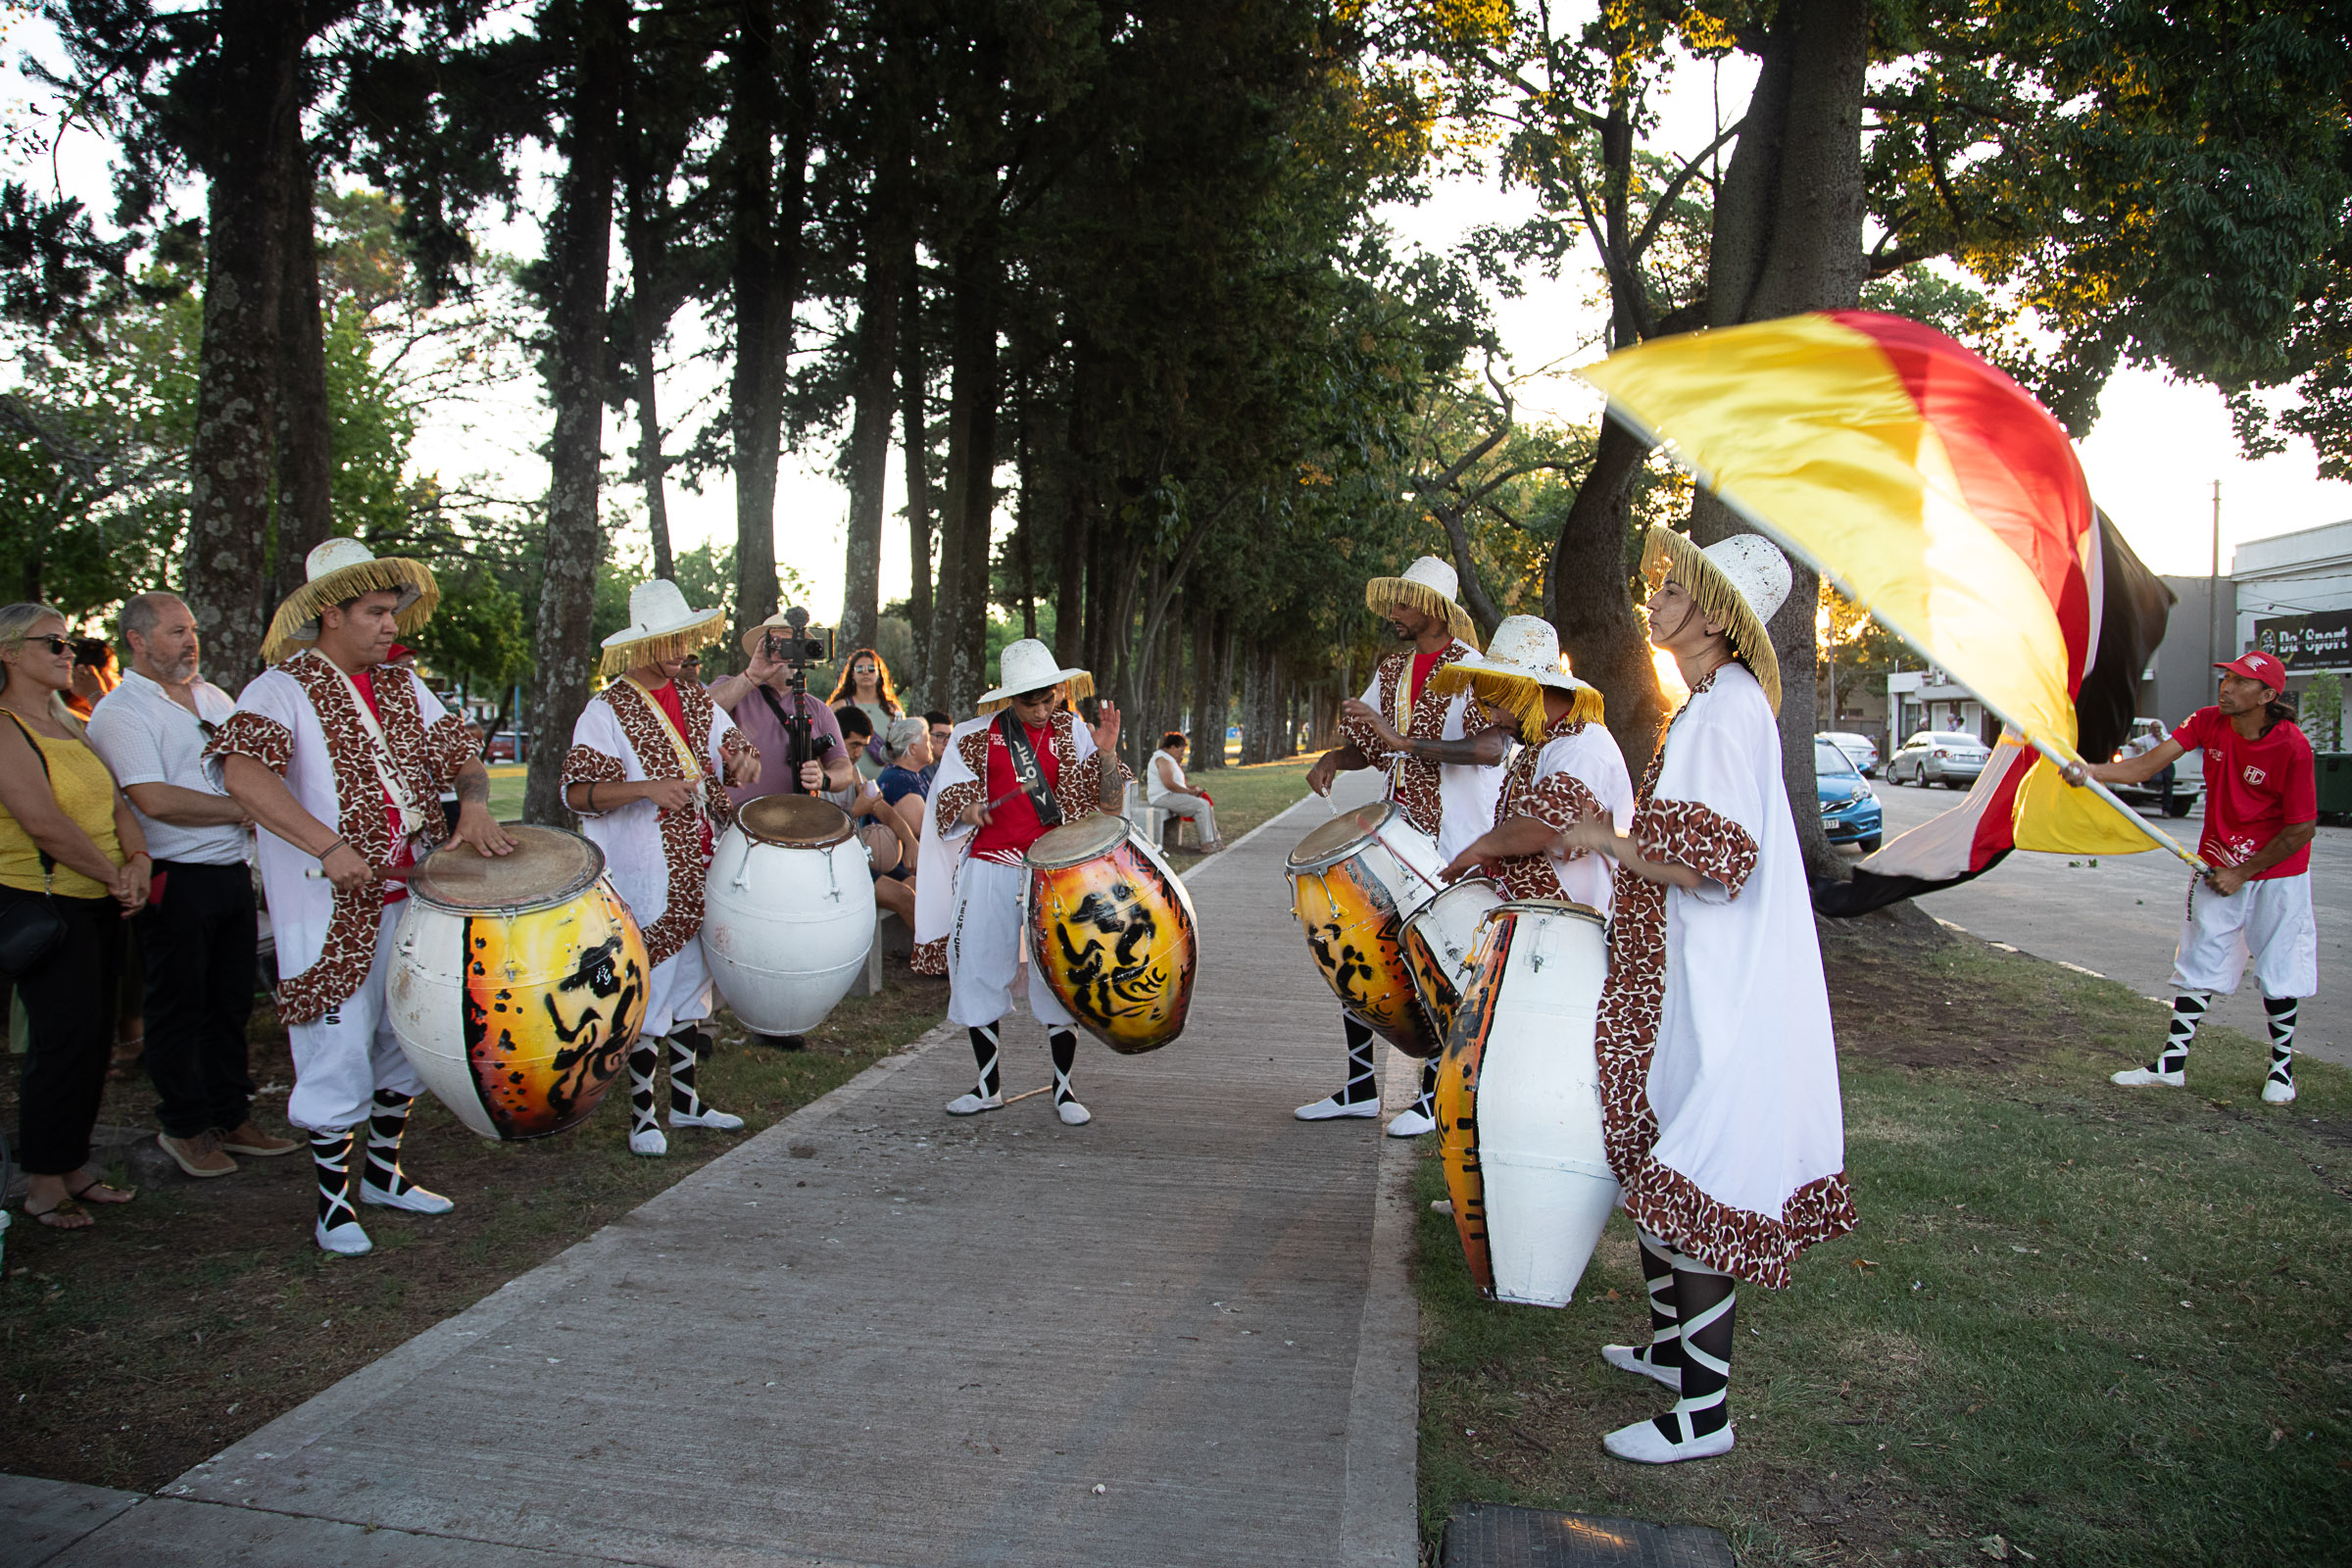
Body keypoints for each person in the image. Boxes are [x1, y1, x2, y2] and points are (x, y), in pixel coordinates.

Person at [1557, 530, 1852, 1465]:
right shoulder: (1713, 706)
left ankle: (1702, 1415)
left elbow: (1710, 864)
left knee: (1695, 1171)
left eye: (1676, 590)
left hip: (1707, 980)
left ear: (1718, 615)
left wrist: (1609, 841)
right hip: (1673, 969)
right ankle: (1666, 1348)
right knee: (1653, 1144)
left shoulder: (1726, 713)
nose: (1657, 601)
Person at [210, 541, 512, 1255]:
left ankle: (382, 1174)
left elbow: (463, 756)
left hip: (416, 900)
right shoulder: (279, 688)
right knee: (336, 1049)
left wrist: (471, 804)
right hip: (330, 909)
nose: (389, 625)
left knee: (406, 1037)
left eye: (393, 611)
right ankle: (333, 1206)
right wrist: (326, 845)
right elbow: (243, 776)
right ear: (329, 613)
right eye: (375, 612)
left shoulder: (406, 686)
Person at [86, 592, 298, 1179]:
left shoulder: (212, 697)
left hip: (230, 872)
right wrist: (239, 808)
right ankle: (184, 1126)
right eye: (176, 631)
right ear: (137, 640)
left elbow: (246, 768)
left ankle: (232, 1116)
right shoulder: (122, 711)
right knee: (179, 1004)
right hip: (173, 876)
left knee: (229, 1002)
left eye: (192, 629)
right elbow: (150, 797)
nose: (190, 640)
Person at [1299, 556, 1504, 1135]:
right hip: (1390, 838)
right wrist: (1337, 758)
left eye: (1404, 602)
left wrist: (1403, 740)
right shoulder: (1392, 670)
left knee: (1437, 962)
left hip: (1451, 844)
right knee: (1359, 947)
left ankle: (1432, 1094)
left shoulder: (1474, 669)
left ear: (1435, 609)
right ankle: (1361, 1089)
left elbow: (1491, 748)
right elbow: (1373, 746)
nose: (1393, 612)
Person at [2062, 649, 2318, 1104]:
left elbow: (2301, 828)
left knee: (2281, 966)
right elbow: (2146, 765)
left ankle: (2282, 1070)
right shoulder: (2207, 722)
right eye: (2226, 678)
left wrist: (2243, 873)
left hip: (2276, 875)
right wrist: (2093, 771)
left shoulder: (2292, 747)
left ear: (2268, 695)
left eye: (2241, 682)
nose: (2227, 687)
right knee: (2199, 961)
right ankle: (2170, 1067)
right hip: (2215, 866)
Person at [564, 579, 762, 1154]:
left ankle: (687, 1102)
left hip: (703, 859)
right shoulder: (606, 709)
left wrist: (742, 761)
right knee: (648, 990)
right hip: (644, 869)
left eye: (686, 640)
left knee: (692, 987)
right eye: (670, 642)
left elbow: (741, 771)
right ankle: (642, 1116)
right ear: (639, 645)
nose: (682, 652)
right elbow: (577, 792)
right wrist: (647, 787)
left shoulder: (697, 697)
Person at [912, 639, 1130, 1125]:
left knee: (1061, 975)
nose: (1040, 708)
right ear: (1009, 697)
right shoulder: (974, 736)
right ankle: (988, 1086)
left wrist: (1108, 754)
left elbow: (1111, 806)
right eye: (1029, 700)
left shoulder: (1074, 731)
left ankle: (1065, 1090)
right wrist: (967, 809)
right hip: (989, 868)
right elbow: (945, 803)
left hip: (1052, 873)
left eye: (1048, 696)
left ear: (1059, 690)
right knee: (978, 971)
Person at [0, 603, 150, 1229]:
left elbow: (114, 802)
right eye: (53, 643)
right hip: (47, 899)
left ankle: (73, 1165)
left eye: (70, 642)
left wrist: (137, 857)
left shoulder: (70, 720)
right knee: (61, 1044)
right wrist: (113, 872)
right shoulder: (7, 726)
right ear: (9, 653)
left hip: (99, 899)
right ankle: (41, 1183)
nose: (69, 653)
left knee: (93, 1043)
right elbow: (42, 822)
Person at [1431, 615, 1633, 911]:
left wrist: (1481, 848)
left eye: (1497, 705)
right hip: (1536, 924)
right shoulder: (1545, 740)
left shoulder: (1581, 747)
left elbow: (1544, 824)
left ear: (1526, 692)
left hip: (1570, 933)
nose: (1494, 719)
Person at [707, 612, 858, 808]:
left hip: (797, 822)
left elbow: (843, 768)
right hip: (739, 824)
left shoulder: (819, 710)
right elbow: (702, 711)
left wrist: (824, 779)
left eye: (795, 645)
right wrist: (751, 676)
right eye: (777, 644)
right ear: (761, 649)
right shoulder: (733, 687)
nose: (786, 652)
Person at [828, 647, 905, 779]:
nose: (865, 673)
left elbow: (903, 746)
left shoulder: (892, 709)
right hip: (849, 782)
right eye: (859, 669)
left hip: (886, 782)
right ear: (852, 674)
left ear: (879, 673)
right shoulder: (840, 706)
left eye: (871, 669)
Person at [1147, 732, 1222, 853]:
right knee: (1201, 806)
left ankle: (1214, 841)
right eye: (1180, 751)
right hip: (1162, 797)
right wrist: (1189, 791)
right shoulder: (1162, 759)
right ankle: (1207, 845)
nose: (1182, 754)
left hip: (1170, 795)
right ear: (1172, 747)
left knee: (1204, 803)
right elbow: (1169, 784)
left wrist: (1189, 788)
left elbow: (1176, 783)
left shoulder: (1168, 759)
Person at [874, 715, 933, 838]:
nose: (931, 746)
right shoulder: (900, 780)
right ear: (913, 748)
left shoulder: (911, 775)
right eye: (927, 740)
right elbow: (923, 828)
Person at [918, 710, 953, 795]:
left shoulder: (939, 767)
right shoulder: (916, 770)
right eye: (940, 736)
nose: (947, 742)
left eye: (950, 736)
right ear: (926, 736)